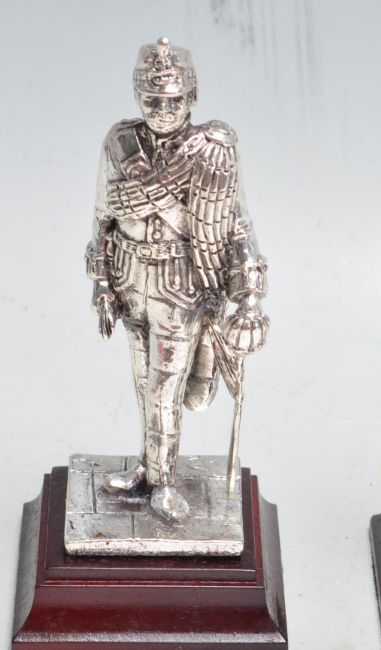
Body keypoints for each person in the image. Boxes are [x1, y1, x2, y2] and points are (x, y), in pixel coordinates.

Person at [85, 37, 268, 521]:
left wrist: (249, 296)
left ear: (192, 96)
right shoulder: (119, 143)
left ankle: (163, 481)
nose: (163, 110)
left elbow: (236, 225)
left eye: (173, 100)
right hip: (130, 279)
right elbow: (103, 217)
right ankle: (149, 467)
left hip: (180, 285)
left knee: (166, 391)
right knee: (143, 384)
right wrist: (101, 283)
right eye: (152, 100)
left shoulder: (210, 153)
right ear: (137, 96)